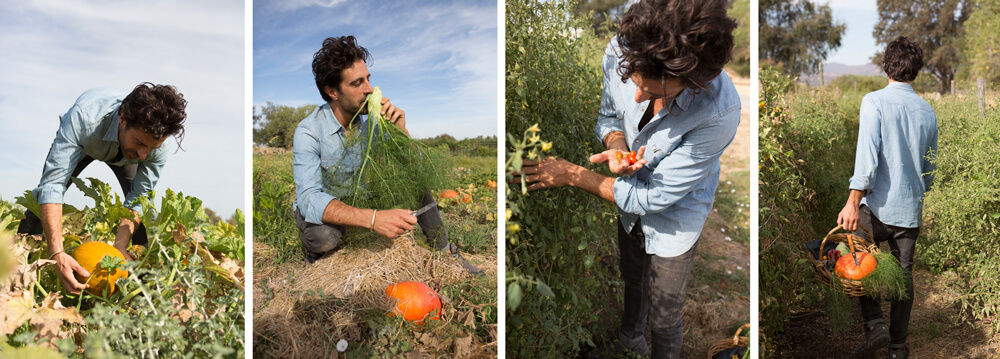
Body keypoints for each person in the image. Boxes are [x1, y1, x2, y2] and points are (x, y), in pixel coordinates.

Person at [516, 0, 740, 357]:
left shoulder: (719, 113)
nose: (638, 97)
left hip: (675, 216)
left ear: (695, 81)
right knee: (633, 278)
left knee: (665, 316)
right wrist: (618, 144)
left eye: (655, 92)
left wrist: (574, 175)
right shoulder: (622, 50)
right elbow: (608, 117)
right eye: (634, 83)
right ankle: (629, 341)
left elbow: (652, 198)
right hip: (626, 203)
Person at [292, 36, 481, 274]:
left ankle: (445, 252)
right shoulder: (309, 131)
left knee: (415, 180)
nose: (369, 89)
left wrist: (401, 130)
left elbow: (417, 166)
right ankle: (315, 253)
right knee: (325, 237)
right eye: (357, 83)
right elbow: (309, 198)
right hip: (332, 210)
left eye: (368, 80)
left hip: (362, 199)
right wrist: (373, 219)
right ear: (332, 91)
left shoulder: (374, 121)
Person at [17, 83, 188, 295]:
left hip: (124, 153)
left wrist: (120, 246)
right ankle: (22, 274)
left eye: (152, 148)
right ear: (123, 119)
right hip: (86, 142)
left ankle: (140, 295)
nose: (145, 155)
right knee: (38, 205)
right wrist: (57, 252)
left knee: (145, 218)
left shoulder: (155, 146)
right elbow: (53, 185)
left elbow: (139, 198)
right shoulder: (84, 119)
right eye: (140, 142)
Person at [836, 36, 937, 359]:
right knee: (903, 278)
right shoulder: (928, 111)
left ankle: (875, 323)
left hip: (877, 207)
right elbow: (929, 170)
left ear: (886, 67)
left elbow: (867, 159)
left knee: (855, 257)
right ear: (916, 71)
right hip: (910, 209)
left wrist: (853, 202)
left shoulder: (874, 101)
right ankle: (898, 347)